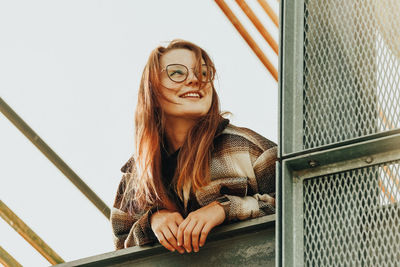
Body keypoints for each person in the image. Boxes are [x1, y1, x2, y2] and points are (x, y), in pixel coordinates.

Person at [110, 40, 277, 254]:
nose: (195, 80)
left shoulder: (246, 147)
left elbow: (305, 203)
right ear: (152, 88)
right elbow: (120, 252)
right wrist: (153, 221)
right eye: (177, 73)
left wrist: (225, 209)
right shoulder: (134, 178)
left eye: (204, 73)